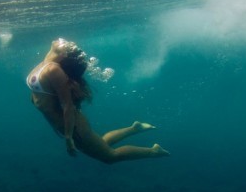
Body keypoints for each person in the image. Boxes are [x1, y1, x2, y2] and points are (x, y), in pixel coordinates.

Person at [27, 38, 170, 164]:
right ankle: (135, 128)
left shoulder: (53, 69)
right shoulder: (45, 63)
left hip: (75, 128)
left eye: (66, 43)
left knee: (109, 156)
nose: (65, 41)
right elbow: (41, 91)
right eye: (66, 43)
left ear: (63, 55)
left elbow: (67, 106)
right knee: (101, 143)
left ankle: (153, 151)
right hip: (68, 125)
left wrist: (69, 137)